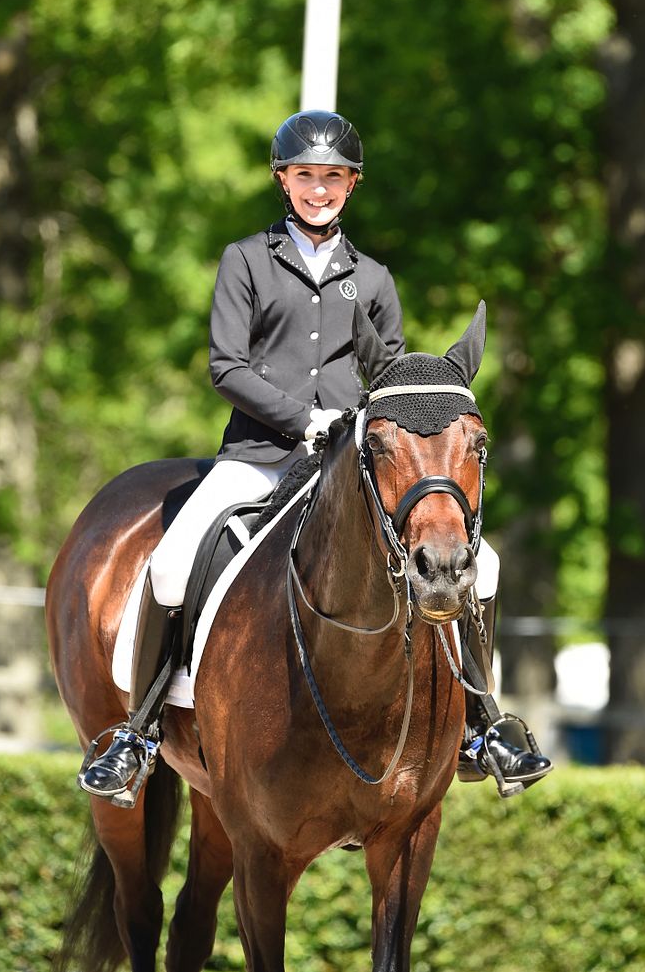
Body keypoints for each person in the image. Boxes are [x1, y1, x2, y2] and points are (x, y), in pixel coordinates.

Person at [78, 109, 551, 804]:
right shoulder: (246, 260)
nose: (318, 188)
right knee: (176, 558)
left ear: (352, 185)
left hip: (345, 466)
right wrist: (304, 418)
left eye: (332, 176)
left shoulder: (376, 278)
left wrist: (376, 426)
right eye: (306, 176)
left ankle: (482, 723)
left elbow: (387, 377)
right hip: (258, 456)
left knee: (487, 564)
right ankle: (139, 732)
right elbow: (226, 366)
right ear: (283, 180)